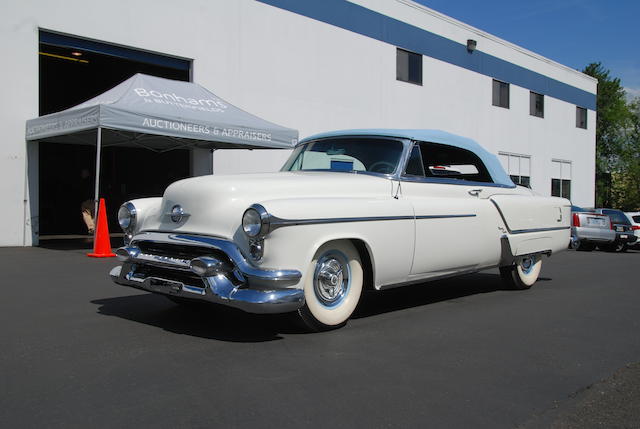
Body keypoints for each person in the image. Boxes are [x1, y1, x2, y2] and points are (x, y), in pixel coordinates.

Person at [79, 169, 95, 234]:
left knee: (88, 214)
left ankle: (92, 228)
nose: (82, 175)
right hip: (88, 200)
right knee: (89, 214)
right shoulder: (85, 181)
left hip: (89, 200)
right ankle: (92, 228)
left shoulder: (88, 181)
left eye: (83, 173)